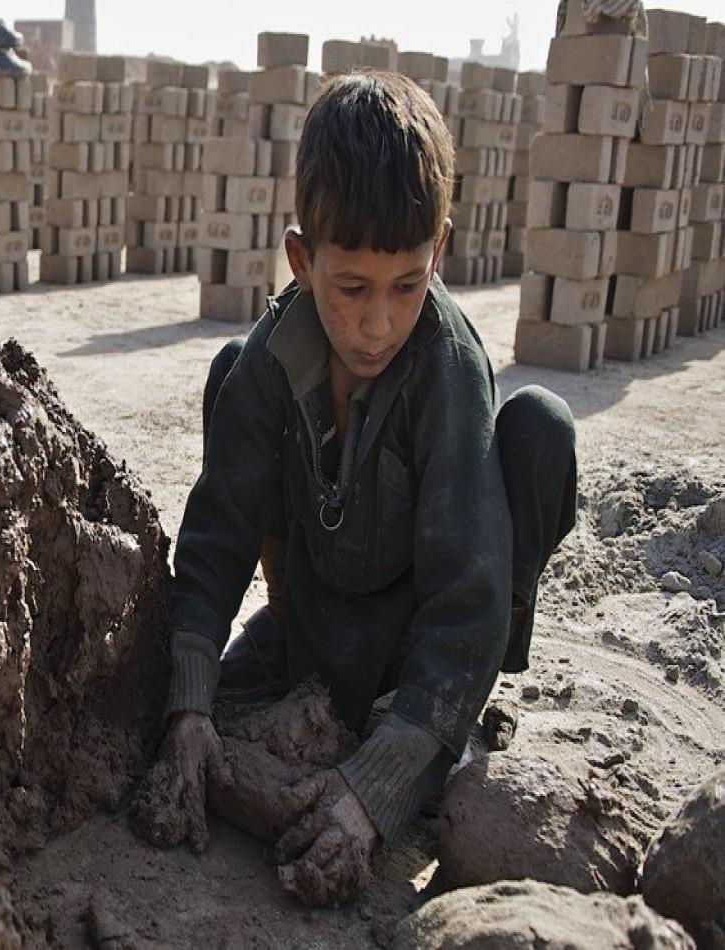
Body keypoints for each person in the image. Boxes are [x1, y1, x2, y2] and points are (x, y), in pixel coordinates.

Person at [146, 72, 578, 898]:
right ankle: (306, 668)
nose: (379, 323)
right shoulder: (278, 354)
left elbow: (465, 593)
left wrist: (371, 794)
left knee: (542, 430)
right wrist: (190, 707)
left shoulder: (449, 369)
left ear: (439, 250)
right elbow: (215, 537)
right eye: (352, 289)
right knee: (229, 374)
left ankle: (447, 720)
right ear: (302, 261)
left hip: (419, 639)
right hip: (316, 616)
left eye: (408, 286)